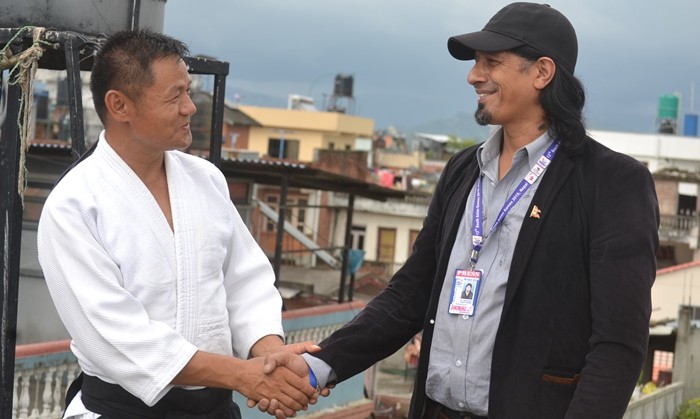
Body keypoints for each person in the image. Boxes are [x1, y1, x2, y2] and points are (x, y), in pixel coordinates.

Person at [261, 2, 660, 418]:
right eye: (475, 62)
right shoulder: (463, 170)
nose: (474, 76)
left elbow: (618, 344)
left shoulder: (611, 183)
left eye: (491, 62)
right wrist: (318, 365)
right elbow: (410, 295)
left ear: (542, 72)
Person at [37, 29, 317, 419]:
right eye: (175, 96)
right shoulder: (74, 205)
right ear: (119, 105)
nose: (190, 108)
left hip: (215, 409)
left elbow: (245, 282)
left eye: (188, 91)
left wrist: (270, 355)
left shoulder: (206, 179)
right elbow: (118, 336)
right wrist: (243, 375)